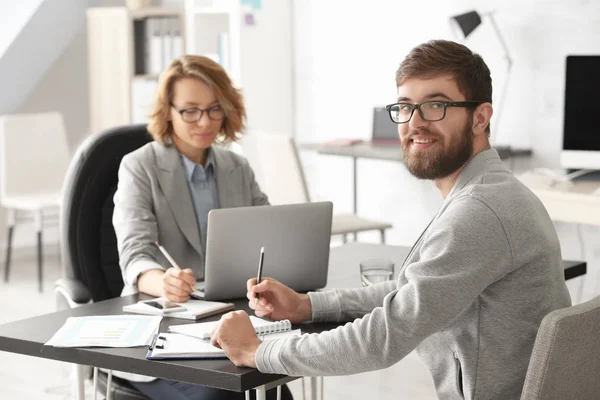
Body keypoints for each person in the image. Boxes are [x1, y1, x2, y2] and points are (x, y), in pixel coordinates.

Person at [209, 40, 572, 400]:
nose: (415, 123)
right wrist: (308, 306)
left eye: (435, 105)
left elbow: (382, 338)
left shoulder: (478, 211)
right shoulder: (490, 191)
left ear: (480, 117)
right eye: (405, 106)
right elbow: (413, 293)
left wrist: (256, 352)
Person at [113, 55, 292, 400]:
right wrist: (162, 282)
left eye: (214, 109)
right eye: (190, 111)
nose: (204, 121)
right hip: (164, 331)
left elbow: (269, 233)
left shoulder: (235, 166)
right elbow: (134, 255)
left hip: (228, 318)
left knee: (272, 389)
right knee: (221, 394)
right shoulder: (139, 167)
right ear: (168, 111)